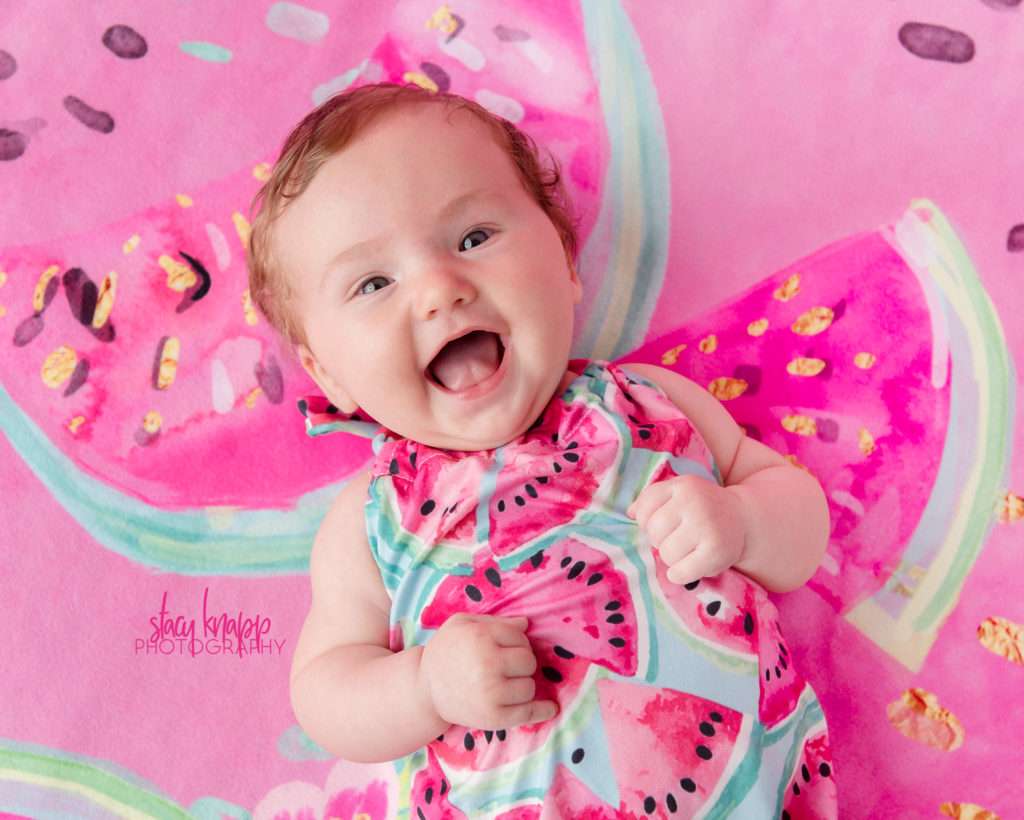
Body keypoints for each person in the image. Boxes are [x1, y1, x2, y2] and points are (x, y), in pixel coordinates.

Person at [247, 82, 836, 817]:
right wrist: (426, 686)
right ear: (327, 372)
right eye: (373, 282)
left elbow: (801, 520)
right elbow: (326, 689)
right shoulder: (366, 523)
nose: (438, 290)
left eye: (473, 238)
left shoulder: (652, 401)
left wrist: (743, 519)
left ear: (563, 259)